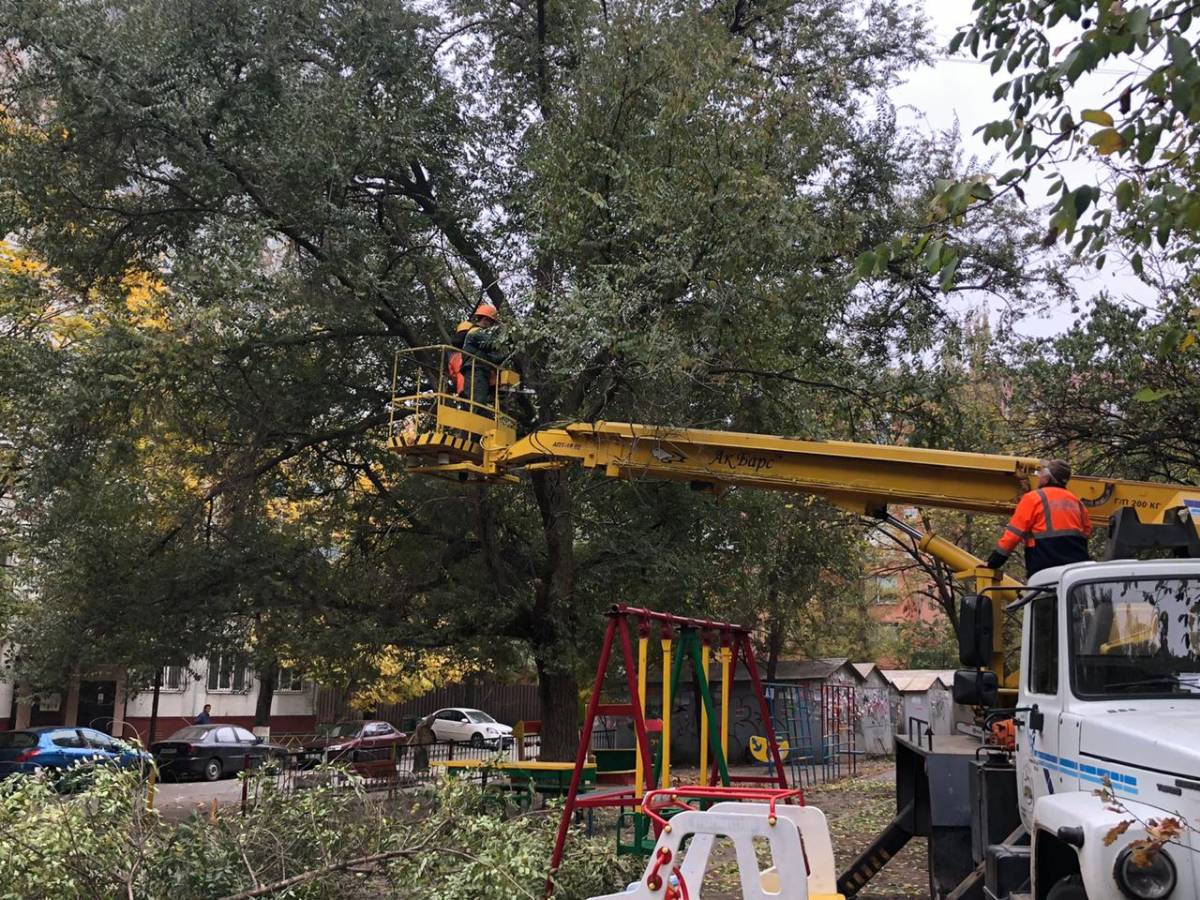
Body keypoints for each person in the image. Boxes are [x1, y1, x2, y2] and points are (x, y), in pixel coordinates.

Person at [986, 459, 1091, 577]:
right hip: (1075, 573)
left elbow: (1012, 536)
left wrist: (993, 562)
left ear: (1047, 477)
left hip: (1044, 571)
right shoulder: (1077, 503)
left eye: (1040, 473)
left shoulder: (1033, 499)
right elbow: (1086, 533)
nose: (1039, 477)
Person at [461, 303, 506, 409]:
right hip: (476, 371)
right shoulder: (475, 333)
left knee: (479, 402)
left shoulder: (480, 345)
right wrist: (507, 336)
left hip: (480, 371)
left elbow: (490, 359)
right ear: (486, 320)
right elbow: (494, 343)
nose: (491, 326)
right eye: (491, 323)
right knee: (478, 402)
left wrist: (507, 356)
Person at [447, 320, 472, 395]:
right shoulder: (470, 354)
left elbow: (453, 375)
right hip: (472, 388)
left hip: (462, 389)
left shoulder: (454, 356)